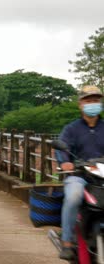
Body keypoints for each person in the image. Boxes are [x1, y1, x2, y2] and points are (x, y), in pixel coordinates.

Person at [56, 85, 104, 260]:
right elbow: (62, 148)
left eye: (96, 100)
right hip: (79, 176)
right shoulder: (71, 129)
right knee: (74, 195)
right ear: (80, 104)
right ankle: (67, 242)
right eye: (88, 100)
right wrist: (66, 162)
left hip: (102, 178)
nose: (93, 103)